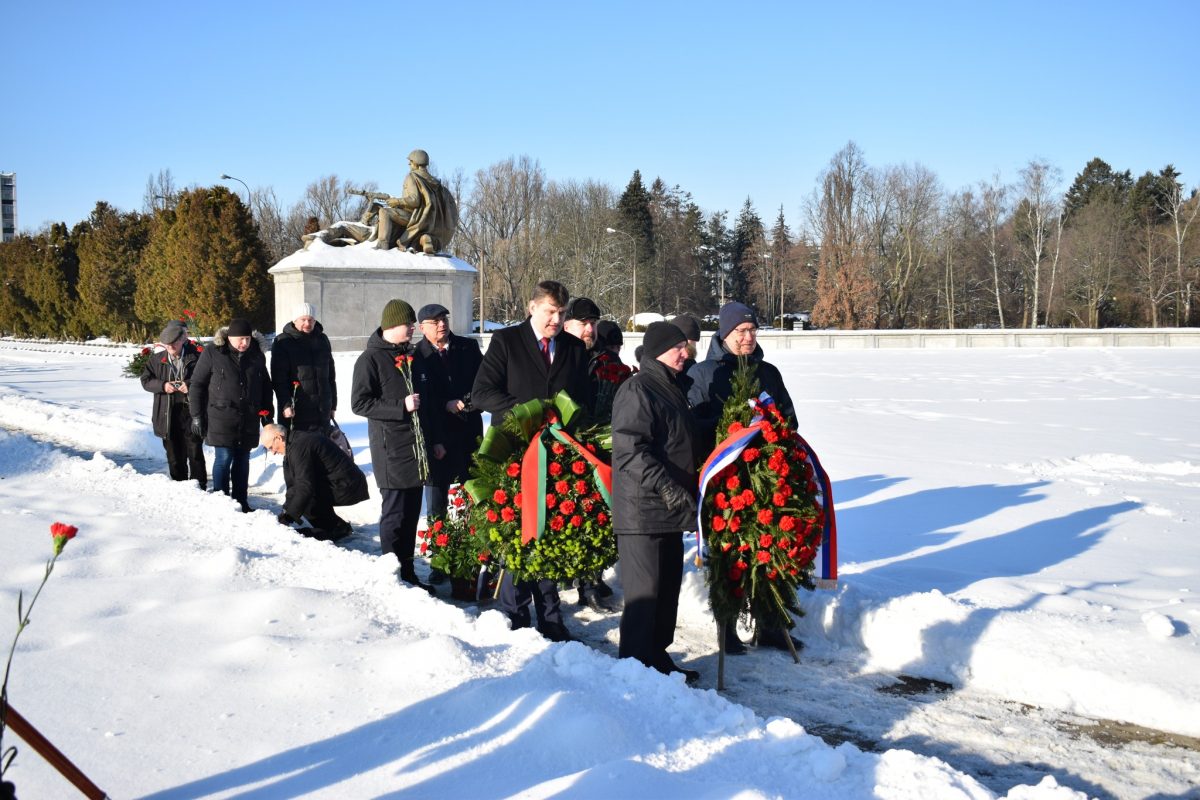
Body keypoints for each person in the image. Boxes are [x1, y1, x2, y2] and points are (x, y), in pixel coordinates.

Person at [471, 280, 594, 641]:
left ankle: (551, 617)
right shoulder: (507, 342)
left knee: (549, 533)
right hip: (514, 453)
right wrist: (527, 413)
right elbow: (482, 392)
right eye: (549, 312)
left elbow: (585, 397)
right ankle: (514, 612)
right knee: (519, 533)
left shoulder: (573, 348)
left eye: (561, 313)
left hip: (558, 455)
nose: (556, 319)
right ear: (532, 307)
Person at [687, 301, 800, 652]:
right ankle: (727, 626)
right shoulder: (704, 374)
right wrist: (731, 431)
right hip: (726, 478)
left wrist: (772, 432)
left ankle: (769, 623)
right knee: (729, 555)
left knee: (769, 547)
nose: (748, 337)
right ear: (725, 334)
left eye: (752, 330)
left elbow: (789, 419)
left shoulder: (769, 373)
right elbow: (692, 425)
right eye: (741, 331)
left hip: (767, 478)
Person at [611, 322, 702, 684]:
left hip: (671, 510)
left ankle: (657, 655)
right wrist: (666, 488)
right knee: (645, 595)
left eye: (686, 347)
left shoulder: (673, 388)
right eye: (678, 348)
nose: (686, 353)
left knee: (666, 591)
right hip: (642, 510)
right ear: (658, 351)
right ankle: (633, 670)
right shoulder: (638, 389)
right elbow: (631, 451)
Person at [351, 299, 446, 593]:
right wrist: (399, 406)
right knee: (395, 516)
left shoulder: (413, 356)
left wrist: (435, 441)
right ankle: (392, 577)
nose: (414, 328)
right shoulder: (370, 359)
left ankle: (408, 574)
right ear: (393, 325)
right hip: (390, 449)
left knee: (411, 515)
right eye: (409, 324)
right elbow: (359, 403)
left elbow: (427, 403)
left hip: (416, 450)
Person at [414, 302, 484, 583]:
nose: (442, 324)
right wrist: (444, 407)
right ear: (422, 328)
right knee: (437, 504)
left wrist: (466, 403)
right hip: (437, 438)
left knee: (472, 498)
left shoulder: (467, 348)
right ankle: (440, 562)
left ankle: (472, 557)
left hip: (468, 433)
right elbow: (421, 402)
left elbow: (483, 384)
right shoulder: (417, 356)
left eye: (444, 318)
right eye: (434, 321)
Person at [190, 318, 273, 513]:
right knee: (224, 457)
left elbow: (265, 387)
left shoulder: (257, 355)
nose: (244, 343)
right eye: (240, 339)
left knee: (243, 459)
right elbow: (197, 385)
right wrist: (197, 415)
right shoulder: (213, 352)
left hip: (248, 417)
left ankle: (241, 501)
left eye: (247, 338)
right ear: (229, 338)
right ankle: (221, 501)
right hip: (221, 416)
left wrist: (267, 415)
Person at [260, 423, 367, 541]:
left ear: (279, 438)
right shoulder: (292, 445)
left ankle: (334, 530)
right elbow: (292, 484)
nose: (273, 452)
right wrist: (286, 512)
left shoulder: (299, 447)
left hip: (348, 485)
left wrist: (288, 517)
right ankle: (335, 526)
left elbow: (304, 486)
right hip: (339, 482)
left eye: (270, 447)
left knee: (306, 497)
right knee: (302, 496)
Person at [140, 320, 206, 489]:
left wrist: (189, 385)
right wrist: (163, 386)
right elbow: (146, 380)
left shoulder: (196, 357)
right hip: (167, 414)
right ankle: (179, 487)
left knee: (195, 454)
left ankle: (199, 489)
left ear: (182, 340)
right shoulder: (156, 360)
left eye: (174, 344)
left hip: (191, 412)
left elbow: (208, 378)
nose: (171, 348)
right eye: (167, 345)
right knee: (174, 456)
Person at [375, 149, 460, 254]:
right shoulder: (436, 183)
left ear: (416, 163)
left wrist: (396, 202)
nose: (409, 164)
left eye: (410, 162)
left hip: (415, 217)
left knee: (384, 212)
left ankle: (382, 245)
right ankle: (425, 239)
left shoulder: (412, 176)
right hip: (430, 222)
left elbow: (415, 200)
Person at [271, 302, 336, 433]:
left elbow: (330, 376)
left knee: (323, 451)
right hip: (297, 412)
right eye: (303, 319)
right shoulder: (283, 342)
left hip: (322, 411)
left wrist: (333, 404)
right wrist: (285, 405)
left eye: (311, 320)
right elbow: (279, 379)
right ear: (295, 320)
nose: (307, 323)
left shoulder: (322, 340)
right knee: (300, 452)